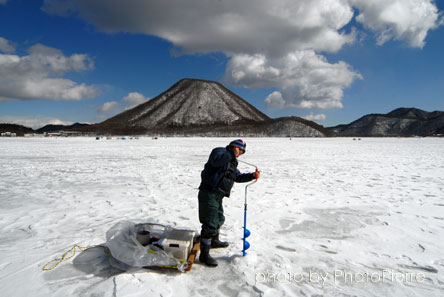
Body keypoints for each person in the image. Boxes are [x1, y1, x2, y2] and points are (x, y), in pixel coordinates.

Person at [198, 139, 260, 267]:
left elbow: (236, 177)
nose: (240, 154)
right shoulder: (220, 152)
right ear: (235, 147)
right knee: (210, 222)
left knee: (219, 218)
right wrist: (232, 153)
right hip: (208, 193)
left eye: (242, 153)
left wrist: (252, 176)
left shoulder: (231, 162)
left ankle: (214, 241)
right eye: (240, 150)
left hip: (217, 195)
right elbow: (216, 162)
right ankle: (204, 255)